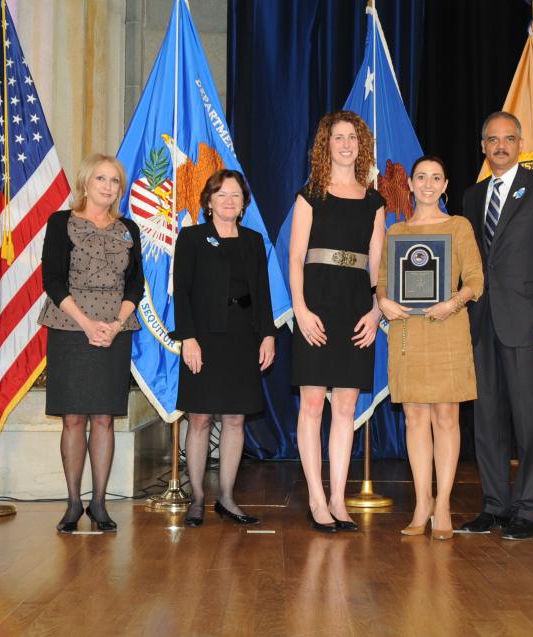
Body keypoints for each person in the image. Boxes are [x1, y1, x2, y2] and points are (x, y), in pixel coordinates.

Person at [459, 111, 533, 540]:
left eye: (508, 138)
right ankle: (494, 506)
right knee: (486, 420)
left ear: (520, 144)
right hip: (480, 323)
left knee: (528, 421)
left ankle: (527, 509)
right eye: (492, 139)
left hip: (528, 323)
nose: (500, 146)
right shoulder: (472, 196)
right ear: (483, 147)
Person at [377, 156, 483, 540]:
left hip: (448, 329)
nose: (427, 184)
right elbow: (384, 282)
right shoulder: (396, 231)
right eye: (421, 177)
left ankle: (443, 505)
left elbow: (475, 279)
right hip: (408, 334)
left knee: (447, 419)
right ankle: (422, 502)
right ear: (410, 184)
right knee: (415, 419)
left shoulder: (458, 227)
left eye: (435, 178)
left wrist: (452, 303)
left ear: (445, 185)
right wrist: (384, 301)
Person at [289, 111, 386, 533]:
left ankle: (337, 498)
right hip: (316, 305)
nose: (345, 144)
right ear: (325, 145)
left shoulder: (375, 201)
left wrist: (377, 309)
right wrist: (301, 310)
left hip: (355, 308)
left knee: (346, 407)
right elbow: (295, 258)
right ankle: (315, 496)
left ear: (361, 145)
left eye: (352, 137)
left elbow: (378, 266)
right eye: (337, 137)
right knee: (312, 404)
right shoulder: (310, 194)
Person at [38, 153, 144, 534]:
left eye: (115, 181)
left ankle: (99, 504)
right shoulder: (60, 223)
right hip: (71, 329)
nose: (108, 187)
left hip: (114, 331)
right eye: (101, 179)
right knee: (73, 417)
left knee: (103, 417)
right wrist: (85, 323)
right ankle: (72, 504)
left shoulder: (127, 228)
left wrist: (114, 325)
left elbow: (136, 284)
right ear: (86, 183)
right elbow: (52, 279)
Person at [171, 169, 276, 528]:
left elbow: (263, 294)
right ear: (209, 201)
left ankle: (228, 498)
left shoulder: (253, 240)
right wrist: (188, 338)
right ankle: (198, 497)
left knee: (235, 418)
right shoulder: (192, 238)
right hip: (203, 339)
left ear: (244, 203)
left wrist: (268, 335)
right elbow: (181, 293)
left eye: (236, 195)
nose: (229, 200)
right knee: (199, 418)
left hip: (243, 340)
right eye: (222, 194)